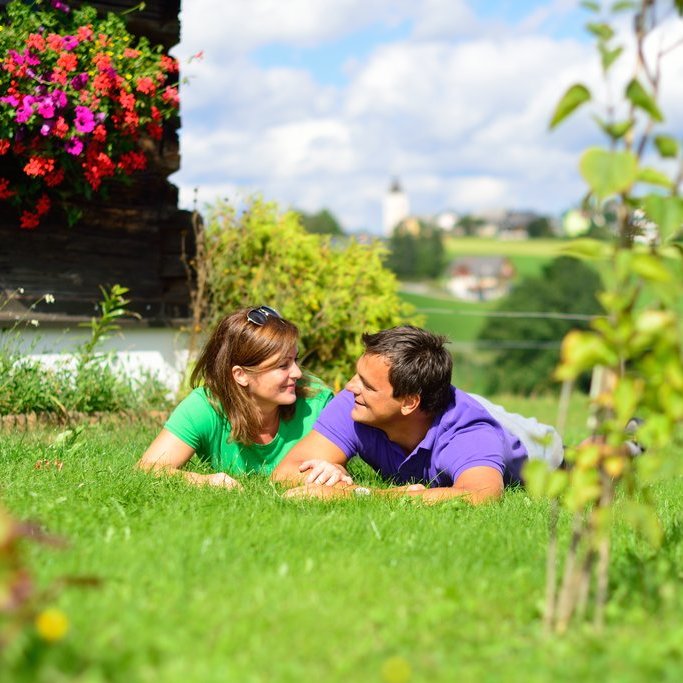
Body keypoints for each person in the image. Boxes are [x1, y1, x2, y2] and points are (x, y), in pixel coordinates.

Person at [272, 325, 564, 504]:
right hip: (437, 404)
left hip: (530, 444)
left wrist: (357, 494)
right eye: (356, 375)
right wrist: (329, 476)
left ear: (408, 402)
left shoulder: (469, 432)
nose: (349, 387)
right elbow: (285, 473)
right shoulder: (356, 403)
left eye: (367, 385)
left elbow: (481, 495)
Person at [137, 306, 336, 489]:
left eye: (295, 360)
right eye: (283, 365)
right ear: (241, 375)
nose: (297, 373)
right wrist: (206, 480)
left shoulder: (318, 403)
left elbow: (340, 471)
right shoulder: (205, 406)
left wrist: (336, 470)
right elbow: (148, 469)